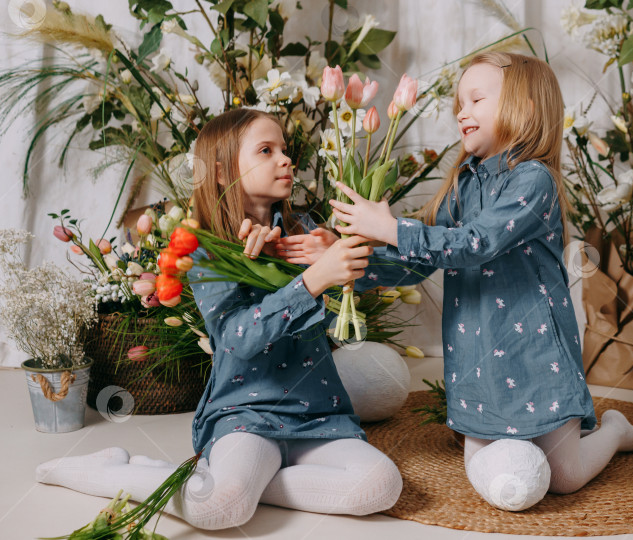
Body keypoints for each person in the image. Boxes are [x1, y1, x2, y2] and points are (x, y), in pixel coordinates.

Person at [279, 52, 633, 512]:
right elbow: (418, 259)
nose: (462, 111)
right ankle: (530, 451)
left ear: (526, 109)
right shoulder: (464, 184)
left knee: (566, 477)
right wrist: (342, 258)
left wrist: (391, 227)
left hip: (535, 352)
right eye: (460, 102)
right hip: (478, 357)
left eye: (476, 99)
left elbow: (475, 243)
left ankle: (612, 428)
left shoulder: (535, 181)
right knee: (485, 469)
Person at [35, 108, 402, 530]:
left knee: (380, 486)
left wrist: (342, 247)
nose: (285, 159)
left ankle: (240, 481)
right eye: (266, 150)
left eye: (284, 148)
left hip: (319, 413)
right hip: (246, 414)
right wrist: (311, 282)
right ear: (224, 172)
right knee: (219, 508)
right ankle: (108, 471)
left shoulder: (306, 230)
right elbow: (235, 340)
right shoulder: (204, 249)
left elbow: (387, 276)